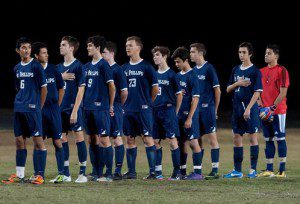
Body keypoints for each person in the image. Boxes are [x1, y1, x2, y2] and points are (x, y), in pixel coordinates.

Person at [2, 37, 48, 185]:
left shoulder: (36, 66)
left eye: (28, 47)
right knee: (19, 141)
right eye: (23, 47)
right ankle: (20, 175)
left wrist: (38, 107)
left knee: (38, 141)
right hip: (19, 108)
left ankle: (40, 175)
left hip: (33, 110)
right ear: (18, 50)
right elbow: (18, 88)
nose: (27, 50)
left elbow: (44, 89)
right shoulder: (16, 68)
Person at [122, 36, 159, 179]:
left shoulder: (147, 67)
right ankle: (131, 172)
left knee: (147, 139)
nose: (127, 47)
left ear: (138, 48)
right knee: (130, 140)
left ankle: (152, 172)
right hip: (128, 110)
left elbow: (155, 89)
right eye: (126, 45)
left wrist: (148, 102)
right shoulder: (124, 68)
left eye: (130, 45)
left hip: (143, 109)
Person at [224, 42, 262, 179]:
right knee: (236, 137)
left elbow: (257, 92)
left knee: (252, 137)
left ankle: (253, 170)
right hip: (237, 108)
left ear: (250, 54)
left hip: (250, 108)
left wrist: (249, 109)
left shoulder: (255, 71)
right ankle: (237, 170)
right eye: (239, 52)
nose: (241, 55)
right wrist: (237, 83)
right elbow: (228, 89)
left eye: (244, 52)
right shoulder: (235, 69)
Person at [32, 42, 65, 183]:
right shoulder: (33, 70)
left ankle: (61, 174)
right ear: (36, 55)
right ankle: (38, 174)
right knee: (38, 142)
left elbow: (61, 88)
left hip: (53, 110)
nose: (47, 55)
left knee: (58, 141)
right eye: (44, 52)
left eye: (47, 52)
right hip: (39, 111)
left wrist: (57, 105)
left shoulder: (53, 69)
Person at [84, 35, 115, 182]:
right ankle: (96, 171)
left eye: (90, 45)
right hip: (88, 108)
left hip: (101, 108)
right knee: (91, 139)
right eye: (88, 45)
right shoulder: (87, 66)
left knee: (105, 140)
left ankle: (108, 174)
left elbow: (112, 87)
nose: (88, 48)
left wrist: (110, 105)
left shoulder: (104, 65)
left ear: (97, 47)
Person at [57, 36, 87, 183]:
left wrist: (75, 110)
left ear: (71, 48)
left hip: (73, 109)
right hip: (60, 109)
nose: (60, 47)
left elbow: (81, 90)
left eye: (63, 45)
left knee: (79, 138)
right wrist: (60, 77)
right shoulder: (58, 68)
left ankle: (82, 174)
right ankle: (66, 174)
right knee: (62, 139)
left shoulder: (79, 66)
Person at [190, 43, 221, 179]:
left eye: (192, 52)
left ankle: (215, 170)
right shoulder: (193, 70)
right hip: (196, 111)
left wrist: (215, 109)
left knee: (212, 138)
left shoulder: (209, 68)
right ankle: (198, 170)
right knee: (197, 139)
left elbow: (217, 90)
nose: (190, 54)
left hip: (207, 109)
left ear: (200, 53)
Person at [258, 44, 289, 178]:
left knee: (280, 139)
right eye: (265, 53)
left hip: (278, 111)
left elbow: (283, 93)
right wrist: (261, 107)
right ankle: (269, 169)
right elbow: (257, 92)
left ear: (276, 56)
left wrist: (272, 108)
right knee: (268, 139)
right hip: (264, 111)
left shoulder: (282, 70)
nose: (266, 55)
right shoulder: (260, 71)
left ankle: (281, 170)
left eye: (269, 53)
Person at [151, 46, 182, 180]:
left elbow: (179, 95)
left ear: (164, 56)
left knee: (172, 140)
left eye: (157, 55)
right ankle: (158, 172)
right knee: (155, 140)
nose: (155, 57)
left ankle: (177, 172)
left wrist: (174, 111)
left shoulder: (172, 75)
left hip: (168, 109)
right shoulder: (153, 74)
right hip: (155, 110)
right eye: (154, 55)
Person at [172, 46, 203, 180]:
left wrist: (190, 118)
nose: (176, 64)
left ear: (185, 60)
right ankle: (182, 171)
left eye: (178, 62)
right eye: (175, 62)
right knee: (181, 142)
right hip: (179, 115)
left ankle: (198, 173)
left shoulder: (193, 76)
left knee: (193, 142)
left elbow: (195, 99)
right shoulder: (177, 76)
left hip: (190, 115)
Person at [102, 41, 128, 180]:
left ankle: (117, 170)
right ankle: (106, 170)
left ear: (112, 53)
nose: (102, 55)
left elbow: (124, 92)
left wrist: (118, 106)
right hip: (103, 107)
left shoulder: (118, 70)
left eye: (104, 52)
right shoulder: (102, 68)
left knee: (117, 138)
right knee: (103, 138)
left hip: (115, 106)